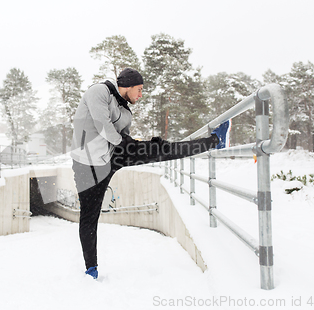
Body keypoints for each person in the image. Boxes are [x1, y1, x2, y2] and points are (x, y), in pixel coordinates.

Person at [70, 68, 229, 279]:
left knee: (162, 150)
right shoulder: (99, 92)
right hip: (87, 166)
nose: (141, 95)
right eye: (139, 89)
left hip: (112, 155)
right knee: (89, 217)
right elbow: (103, 127)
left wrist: (144, 146)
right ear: (127, 84)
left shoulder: (126, 112)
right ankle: (91, 269)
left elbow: (122, 137)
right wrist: (128, 143)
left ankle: (214, 141)